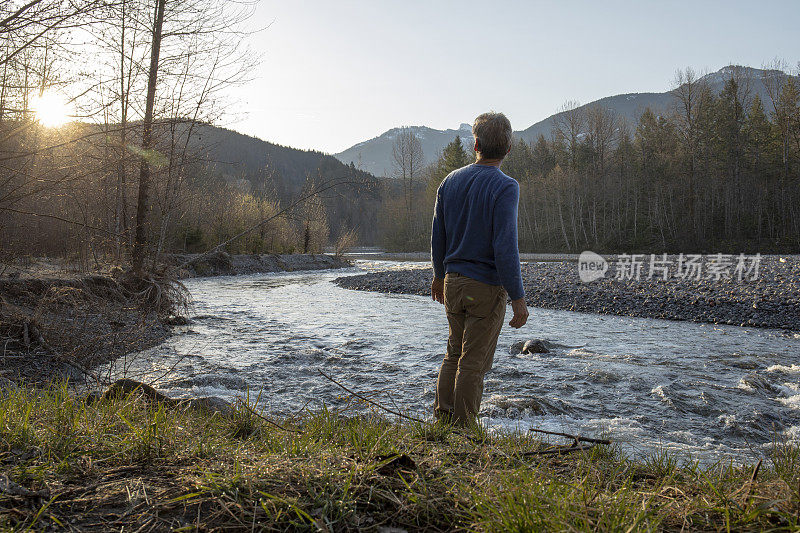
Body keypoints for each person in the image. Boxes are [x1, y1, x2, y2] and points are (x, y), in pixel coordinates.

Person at [430, 111, 528, 427]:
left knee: (453, 354)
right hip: (485, 288)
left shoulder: (450, 181)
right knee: (473, 363)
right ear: (508, 149)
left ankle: (443, 421)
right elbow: (505, 247)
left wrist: (438, 275)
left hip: (453, 283)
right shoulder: (506, 187)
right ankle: (465, 430)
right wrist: (518, 297)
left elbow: (438, 235)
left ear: (476, 144)